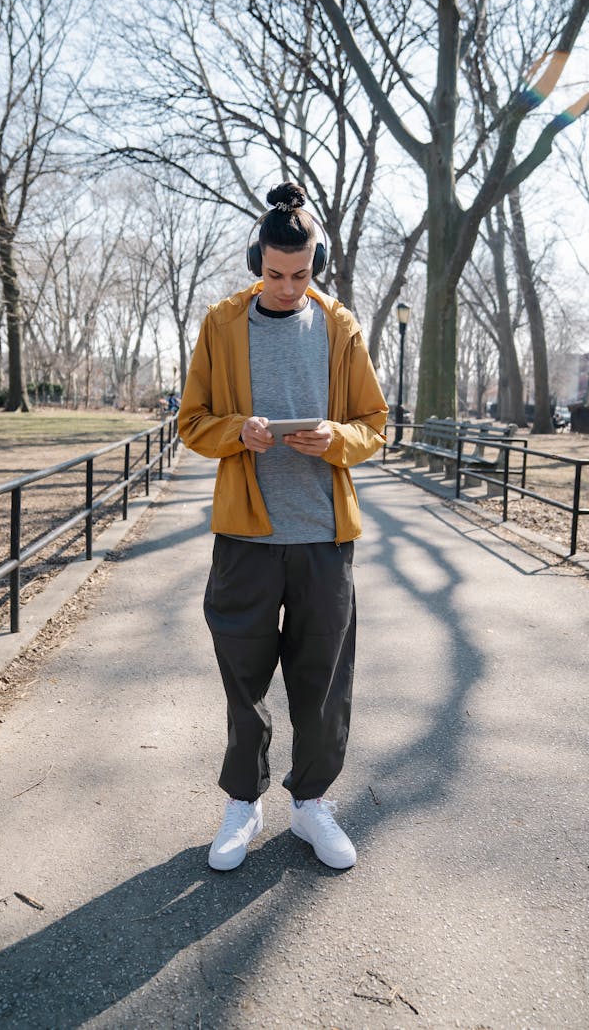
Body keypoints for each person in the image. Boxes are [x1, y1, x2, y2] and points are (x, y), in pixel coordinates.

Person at [179, 181, 388, 872]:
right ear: (254, 261)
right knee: (244, 676)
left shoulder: (340, 326)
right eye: (274, 274)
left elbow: (376, 426)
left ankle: (312, 805)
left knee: (323, 679)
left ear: (315, 264)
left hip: (324, 537)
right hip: (246, 536)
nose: (288, 287)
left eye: (301, 274)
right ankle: (244, 800)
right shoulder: (220, 324)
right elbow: (192, 424)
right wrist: (241, 431)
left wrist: (338, 439)